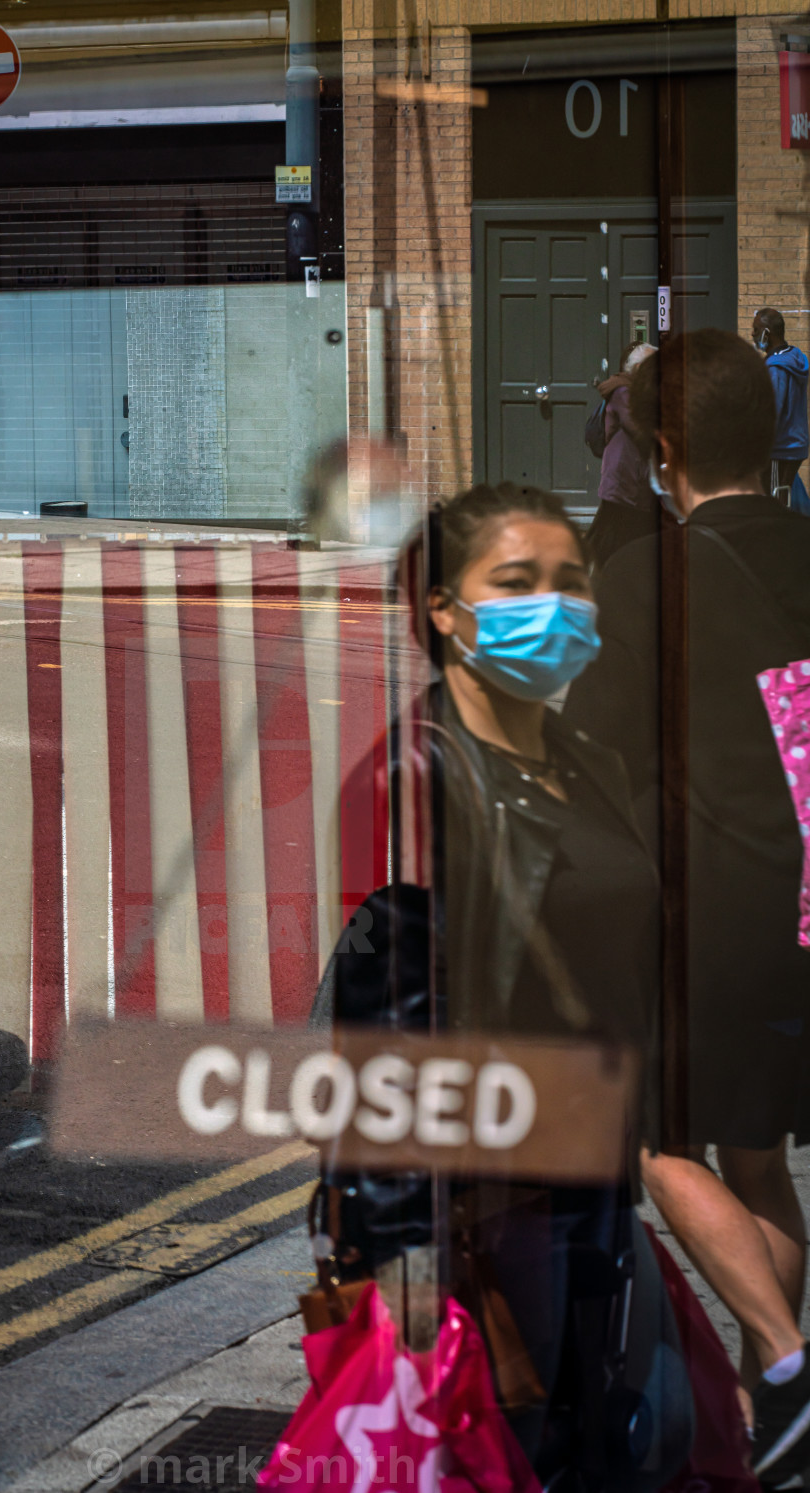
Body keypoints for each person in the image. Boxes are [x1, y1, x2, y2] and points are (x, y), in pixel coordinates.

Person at [316, 484, 693, 1489]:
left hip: (592, 1181)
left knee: (588, 1442)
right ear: (443, 607)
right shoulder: (413, 774)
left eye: (571, 582)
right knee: (507, 1451)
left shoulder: (589, 760)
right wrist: (427, 1276)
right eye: (518, 582)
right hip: (487, 1211)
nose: (556, 606)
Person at [566, 327, 810, 1486]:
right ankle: (779, 1423)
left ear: (660, 451)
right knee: (755, 1159)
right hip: (803, 915)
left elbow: (588, 751)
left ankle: (789, 1364)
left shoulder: (644, 578)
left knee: (661, 1144)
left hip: (709, 917)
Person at [584, 341, 658, 570]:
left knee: (618, 530)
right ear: (638, 369)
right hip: (624, 476)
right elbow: (640, 427)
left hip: (634, 477)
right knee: (615, 533)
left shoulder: (640, 390)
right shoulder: (624, 391)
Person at [753, 307, 809, 508]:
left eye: (756, 329)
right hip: (794, 443)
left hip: (780, 447)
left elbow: (772, 413)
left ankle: (781, 538)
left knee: (776, 502)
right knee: (786, 493)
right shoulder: (793, 356)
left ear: (767, 333)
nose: (753, 335)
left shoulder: (777, 368)